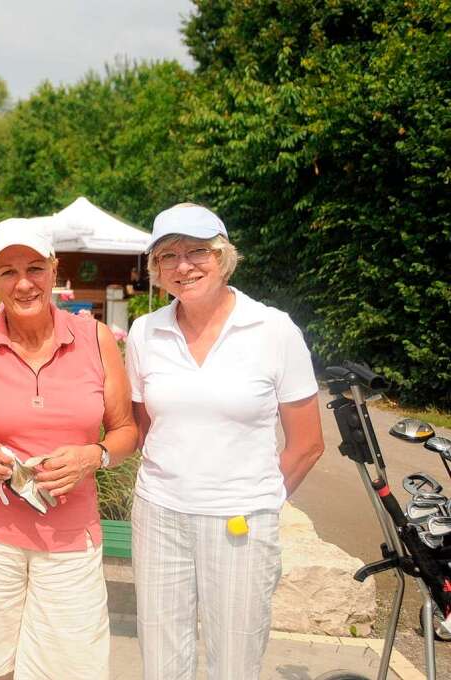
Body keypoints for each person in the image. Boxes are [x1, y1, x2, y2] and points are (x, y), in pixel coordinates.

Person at [125, 203, 325, 680]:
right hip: (159, 516)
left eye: (197, 252)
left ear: (223, 256)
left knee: (234, 662)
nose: (183, 266)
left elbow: (307, 443)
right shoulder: (144, 332)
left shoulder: (273, 329)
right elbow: (145, 426)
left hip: (240, 522)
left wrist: (260, 499)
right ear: (155, 268)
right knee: (160, 658)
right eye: (168, 256)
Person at [0, 217, 138, 680]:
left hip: (71, 538)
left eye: (35, 267)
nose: (24, 283)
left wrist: (91, 456)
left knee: (71, 668)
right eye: (8, 271)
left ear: (55, 270)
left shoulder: (95, 339)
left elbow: (126, 432)